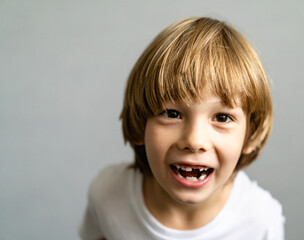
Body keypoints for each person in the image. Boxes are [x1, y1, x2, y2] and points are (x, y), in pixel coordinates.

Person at [79, 17, 285, 240]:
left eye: (222, 117)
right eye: (171, 114)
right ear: (140, 125)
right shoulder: (107, 195)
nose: (194, 140)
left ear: (250, 136)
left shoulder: (260, 222)